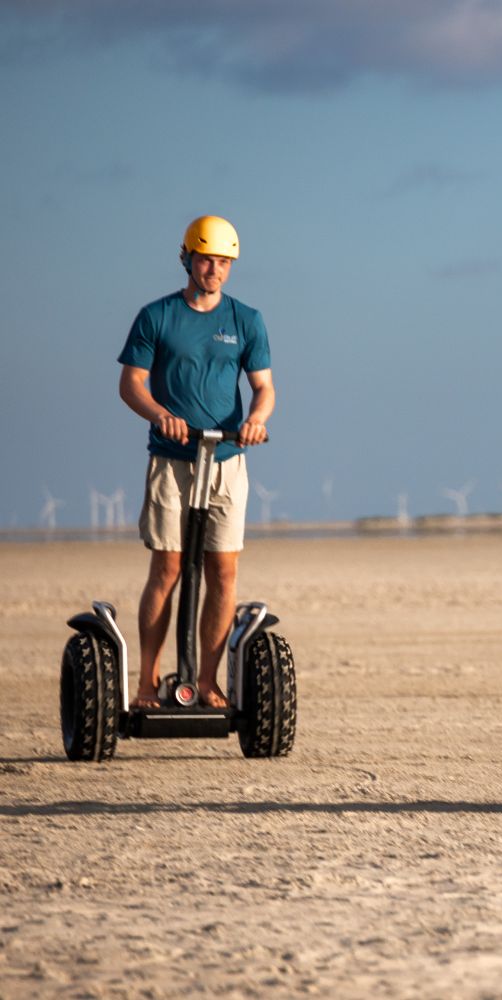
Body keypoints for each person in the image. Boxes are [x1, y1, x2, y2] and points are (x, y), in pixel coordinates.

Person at [118, 215, 275, 709]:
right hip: (173, 460)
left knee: (222, 572)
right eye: (207, 259)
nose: (215, 269)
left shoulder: (246, 319)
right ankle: (148, 682)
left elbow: (264, 388)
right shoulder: (157, 316)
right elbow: (132, 384)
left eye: (224, 261)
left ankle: (206, 683)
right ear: (187, 258)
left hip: (227, 458)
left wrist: (255, 421)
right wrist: (160, 415)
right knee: (167, 567)